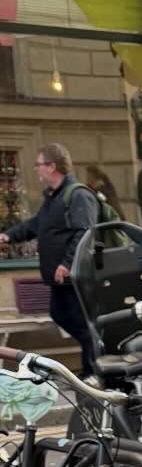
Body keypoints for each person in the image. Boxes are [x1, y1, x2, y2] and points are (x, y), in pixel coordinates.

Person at [1, 144, 98, 376]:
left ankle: (93, 372)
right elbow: (36, 225)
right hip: (60, 280)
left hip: (75, 278)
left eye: (39, 164)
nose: (36, 169)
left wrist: (67, 264)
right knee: (61, 315)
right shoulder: (54, 198)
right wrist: (8, 236)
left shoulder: (78, 195)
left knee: (84, 325)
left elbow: (85, 232)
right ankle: (94, 365)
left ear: (52, 166)